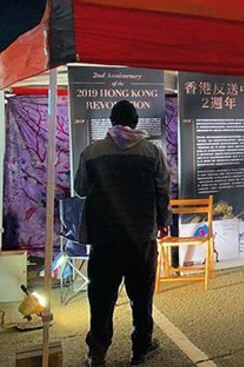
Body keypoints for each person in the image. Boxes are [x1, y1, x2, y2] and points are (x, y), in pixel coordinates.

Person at [74, 100, 171, 366]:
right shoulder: (152, 152)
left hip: (104, 239)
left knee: (102, 298)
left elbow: (81, 188)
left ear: (111, 121)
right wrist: (164, 221)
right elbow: (163, 190)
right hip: (141, 238)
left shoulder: (92, 152)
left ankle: (98, 352)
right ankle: (141, 348)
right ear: (136, 122)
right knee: (141, 297)